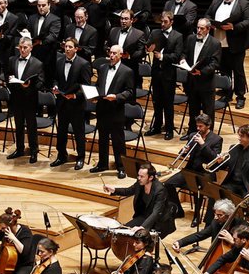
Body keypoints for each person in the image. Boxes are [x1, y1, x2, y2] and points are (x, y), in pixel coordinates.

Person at [206, 0, 249, 108]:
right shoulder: (216, 0)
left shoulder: (244, 4)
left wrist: (233, 27)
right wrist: (209, 23)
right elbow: (208, 15)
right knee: (224, 70)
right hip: (218, 43)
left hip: (235, 44)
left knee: (238, 71)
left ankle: (240, 96)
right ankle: (227, 93)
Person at [89, 44, 135, 174]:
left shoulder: (127, 71)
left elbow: (130, 92)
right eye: (110, 53)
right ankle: (102, 164)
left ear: (121, 55)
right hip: (102, 108)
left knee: (117, 141)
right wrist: (95, 97)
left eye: (115, 53)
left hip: (116, 109)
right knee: (102, 138)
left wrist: (117, 97)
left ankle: (121, 167)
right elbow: (98, 86)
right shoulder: (103, 68)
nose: (112, 55)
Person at [103, 163, 177, 237]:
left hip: (159, 222)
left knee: (140, 237)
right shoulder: (140, 183)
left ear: (150, 177)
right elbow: (128, 191)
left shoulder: (160, 190)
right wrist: (114, 190)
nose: (139, 178)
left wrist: (143, 227)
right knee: (122, 232)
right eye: (138, 175)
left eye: (142, 176)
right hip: (144, 216)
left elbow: (156, 212)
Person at [145, 10, 184, 139]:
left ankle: (169, 129)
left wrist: (162, 56)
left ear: (171, 22)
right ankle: (156, 126)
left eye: (165, 22)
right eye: (161, 21)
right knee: (157, 101)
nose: (162, 24)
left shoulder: (177, 36)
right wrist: (148, 49)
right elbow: (149, 46)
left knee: (168, 103)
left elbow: (177, 56)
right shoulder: (155, 32)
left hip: (168, 74)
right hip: (156, 73)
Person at [51, 37, 88, 170]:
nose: (67, 49)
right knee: (61, 131)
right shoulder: (60, 61)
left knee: (79, 132)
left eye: (70, 47)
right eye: (66, 46)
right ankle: (61, 155)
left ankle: (80, 157)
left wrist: (74, 95)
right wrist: (55, 87)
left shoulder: (83, 64)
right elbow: (56, 78)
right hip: (62, 103)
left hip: (76, 105)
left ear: (76, 49)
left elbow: (86, 86)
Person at [6, 35, 45, 161]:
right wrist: (10, 81)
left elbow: (41, 82)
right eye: (21, 47)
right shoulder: (12, 60)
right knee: (18, 125)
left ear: (31, 48)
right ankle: (19, 149)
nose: (22, 50)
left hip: (30, 99)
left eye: (25, 47)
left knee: (31, 126)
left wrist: (29, 86)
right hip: (16, 98)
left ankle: (34, 150)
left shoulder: (38, 63)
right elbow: (8, 76)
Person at [180, 17, 222, 135]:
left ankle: (208, 136)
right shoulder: (190, 39)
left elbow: (215, 64)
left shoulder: (215, 43)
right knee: (193, 109)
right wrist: (183, 60)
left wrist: (201, 72)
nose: (199, 30)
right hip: (191, 82)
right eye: (198, 27)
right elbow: (184, 53)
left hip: (206, 83)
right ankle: (191, 133)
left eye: (202, 28)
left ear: (208, 29)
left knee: (208, 112)